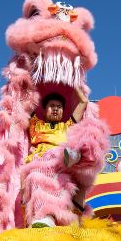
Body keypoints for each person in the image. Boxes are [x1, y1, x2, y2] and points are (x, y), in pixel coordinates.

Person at [22, 89, 88, 228]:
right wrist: (31, 82)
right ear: (45, 110)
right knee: (35, 176)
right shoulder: (36, 125)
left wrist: (73, 82)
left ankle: (71, 157)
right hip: (40, 162)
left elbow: (83, 102)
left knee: (71, 153)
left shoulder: (67, 126)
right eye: (52, 106)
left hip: (61, 160)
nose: (56, 109)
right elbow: (26, 105)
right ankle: (44, 217)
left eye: (59, 107)